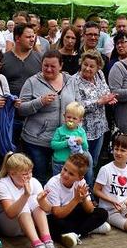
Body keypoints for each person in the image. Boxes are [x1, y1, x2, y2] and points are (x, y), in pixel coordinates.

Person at [0, 153, 61, 248]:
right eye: (25, 174)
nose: (29, 176)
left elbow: (48, 209)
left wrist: (42, 201)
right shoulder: (2, 183)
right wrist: (25, 195)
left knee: (35, 201)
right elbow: (10, 213)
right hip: (8, 226)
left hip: (27, 226)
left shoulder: (34, 181)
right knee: (24, 203)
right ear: (12, 173)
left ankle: (47, 241)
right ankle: (37, 245)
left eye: (30, 172)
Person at [61, 51, 117, 183]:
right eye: (85, 64)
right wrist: (99, 102)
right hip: (83, 129)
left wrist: (109, 98)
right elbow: (77, 105)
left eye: (92, 66)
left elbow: (105, 90)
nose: (87, 68)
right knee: (84, 161)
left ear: (98, 67)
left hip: (100, 126)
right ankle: (86, 189)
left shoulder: (100, 75)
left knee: (95, 160)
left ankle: (88, 186)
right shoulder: (74, 81)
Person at [19, 50, 71, 185]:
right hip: (37, 141)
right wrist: (39, 102)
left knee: (59, 179)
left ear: (61, 66)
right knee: (39, 178)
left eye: (53, 66)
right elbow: (21, 109)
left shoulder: (70, 80)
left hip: (62, 141)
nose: (48, 69)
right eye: (45, 65)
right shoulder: (31, 82)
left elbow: (77, 103)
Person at [42, 154, 110, 248]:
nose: (65, 174)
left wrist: (84, 198)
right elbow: (57, 214)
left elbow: (90, 210)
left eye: (71, 174)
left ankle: (75, 234)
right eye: (64, 169)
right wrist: (76, 199)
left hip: (71, 215)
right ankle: (89, 229)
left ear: (80, 178)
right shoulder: (53, 183)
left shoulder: (81, 182)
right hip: (56, 216)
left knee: (102, 213)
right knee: (53, 224)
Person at [94, 135, 127, 233]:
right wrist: (112, 201)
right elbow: (96, 190)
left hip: (124, 207)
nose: (118, 153)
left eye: (123, 150)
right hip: (109, 210)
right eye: (116, 149)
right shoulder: (105, 169)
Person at [51, 102, 89, 176]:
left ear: (80, 120)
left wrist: (82, 142)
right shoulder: (60, 130)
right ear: (64, 116)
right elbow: (53, 145)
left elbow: (85, 148)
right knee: (57, 181)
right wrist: (66, 143)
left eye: (74, 118)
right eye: (68, 117)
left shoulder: (81, 132)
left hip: (74, 164)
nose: (71, 120)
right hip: (59, 162)